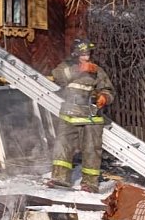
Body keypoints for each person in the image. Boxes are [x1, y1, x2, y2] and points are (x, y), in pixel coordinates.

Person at [48, 38, 115, 193]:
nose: (87, 57)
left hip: (92, 117)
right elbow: (58, 77)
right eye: (83, 54)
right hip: (69, 115)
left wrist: (104, 97)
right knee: (62, 147)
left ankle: (90, 183)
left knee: (92, 150)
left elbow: (109, 90)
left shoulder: (97, 71)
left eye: (88, 54)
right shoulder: (64, 67)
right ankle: (60, 178)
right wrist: (78, 70)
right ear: (75, 54)